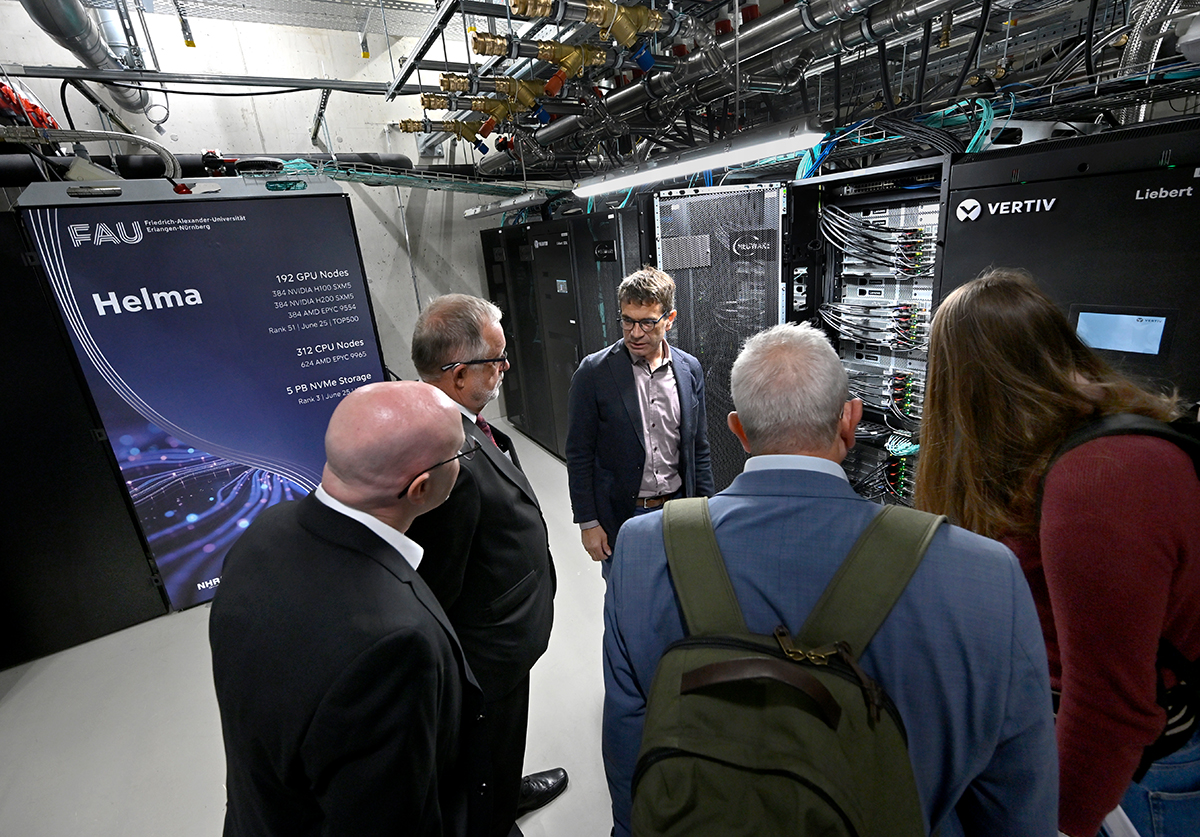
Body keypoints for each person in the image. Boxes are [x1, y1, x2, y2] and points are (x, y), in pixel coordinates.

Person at [603, 322, 1058, 837]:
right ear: (850, 423)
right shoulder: (987, 576)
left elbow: (628, 752)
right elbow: (1018, 807)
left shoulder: (643, 549)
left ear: (739, 430)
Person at [914, 268, 1200, 837]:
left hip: (1130, 776)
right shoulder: (1071, 448)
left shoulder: (1100, 479)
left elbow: (1112, 709)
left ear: (965, 385)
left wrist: (1056, 823)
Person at [209, 381, 486, 837]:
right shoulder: (395, 643)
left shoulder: (264, 531)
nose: (463, 462)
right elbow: (391, 820)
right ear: (420, 487)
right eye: (459, 453)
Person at [407, 294, 566, 837]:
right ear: (455, 374)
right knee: (484, 743)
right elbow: (439, 586)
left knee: (503, 738)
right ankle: (492, 819)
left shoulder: (470, 425)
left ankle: (504, 787)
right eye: (495, 360)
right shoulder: (444, 454)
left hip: (503, 641)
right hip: (484, 653)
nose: (504, 369)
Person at [566, 266, 714, 576]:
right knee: (626, 601)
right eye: (628, 321)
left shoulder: (689, 369)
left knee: (682, 593)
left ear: (669, 320)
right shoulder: (593, 373)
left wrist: (706, 510)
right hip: (623, 514)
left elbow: (698, 447)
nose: (635, 333)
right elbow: (579, 453)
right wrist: (589, 522)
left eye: (647, 323)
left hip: (678, 509)